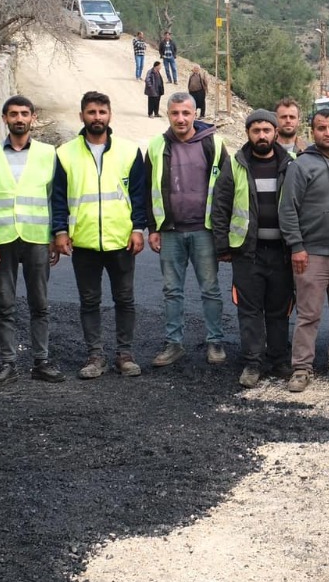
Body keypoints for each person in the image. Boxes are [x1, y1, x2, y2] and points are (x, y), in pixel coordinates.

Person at [51, 92, 151, 379]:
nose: (97, 117)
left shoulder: (129, 151)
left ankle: (125, 354)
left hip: (120, 240)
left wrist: (137, 229)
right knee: (89, 301)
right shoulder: (65, 153)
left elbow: (138, 194)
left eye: (102, 112)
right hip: (83, 241)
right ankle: (95, 356)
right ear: (81, 115)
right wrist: (60, 231)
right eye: (91, 112)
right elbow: (58, 197)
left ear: (110, 115)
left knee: (125, 299)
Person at [0, 96, 61, 387]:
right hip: (2, 240)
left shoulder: (49, 154)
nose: (19, 118)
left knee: (40, 304)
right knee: (5, 305)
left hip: (37, 238)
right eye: (14, 114)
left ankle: (41, 362)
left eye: (25, 113)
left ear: (33, 117)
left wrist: (54, 237)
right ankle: (8, 364)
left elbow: (54, 199)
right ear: (5, 118)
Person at [146, 92, 232, 367]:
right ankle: (174, 344)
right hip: (170, 231)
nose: (180, 119)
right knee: (172, 290)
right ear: (168, 115)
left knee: (210, 289)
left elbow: (226, 189)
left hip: (204, 230)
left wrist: (221, 231)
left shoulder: (214, 144)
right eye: (175, 113)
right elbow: (149, 190)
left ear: (195, 114)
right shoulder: (156, 146)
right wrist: (153, 227)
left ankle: (215, 342)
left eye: (186, 113)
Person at [212, 110, 296, 388]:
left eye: (266, 130)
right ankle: (252, 362)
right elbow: (221, 205)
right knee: (249, 310)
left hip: (281, 252)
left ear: (275, 132)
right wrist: (222, 246)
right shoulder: (236, 164)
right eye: (256, 130)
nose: (262, 135)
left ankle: (279, 358)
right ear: (248, 133)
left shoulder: (290, 163)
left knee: (279, 309)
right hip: (248, 252)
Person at [279, 109, 329, 391]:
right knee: (309, 314)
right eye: (321, 128)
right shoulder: (300, 166)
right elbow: (288, 209)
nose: (327, 133)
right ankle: (301, 368)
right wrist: (297, 246)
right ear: (312, 131)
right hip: (311, 253)